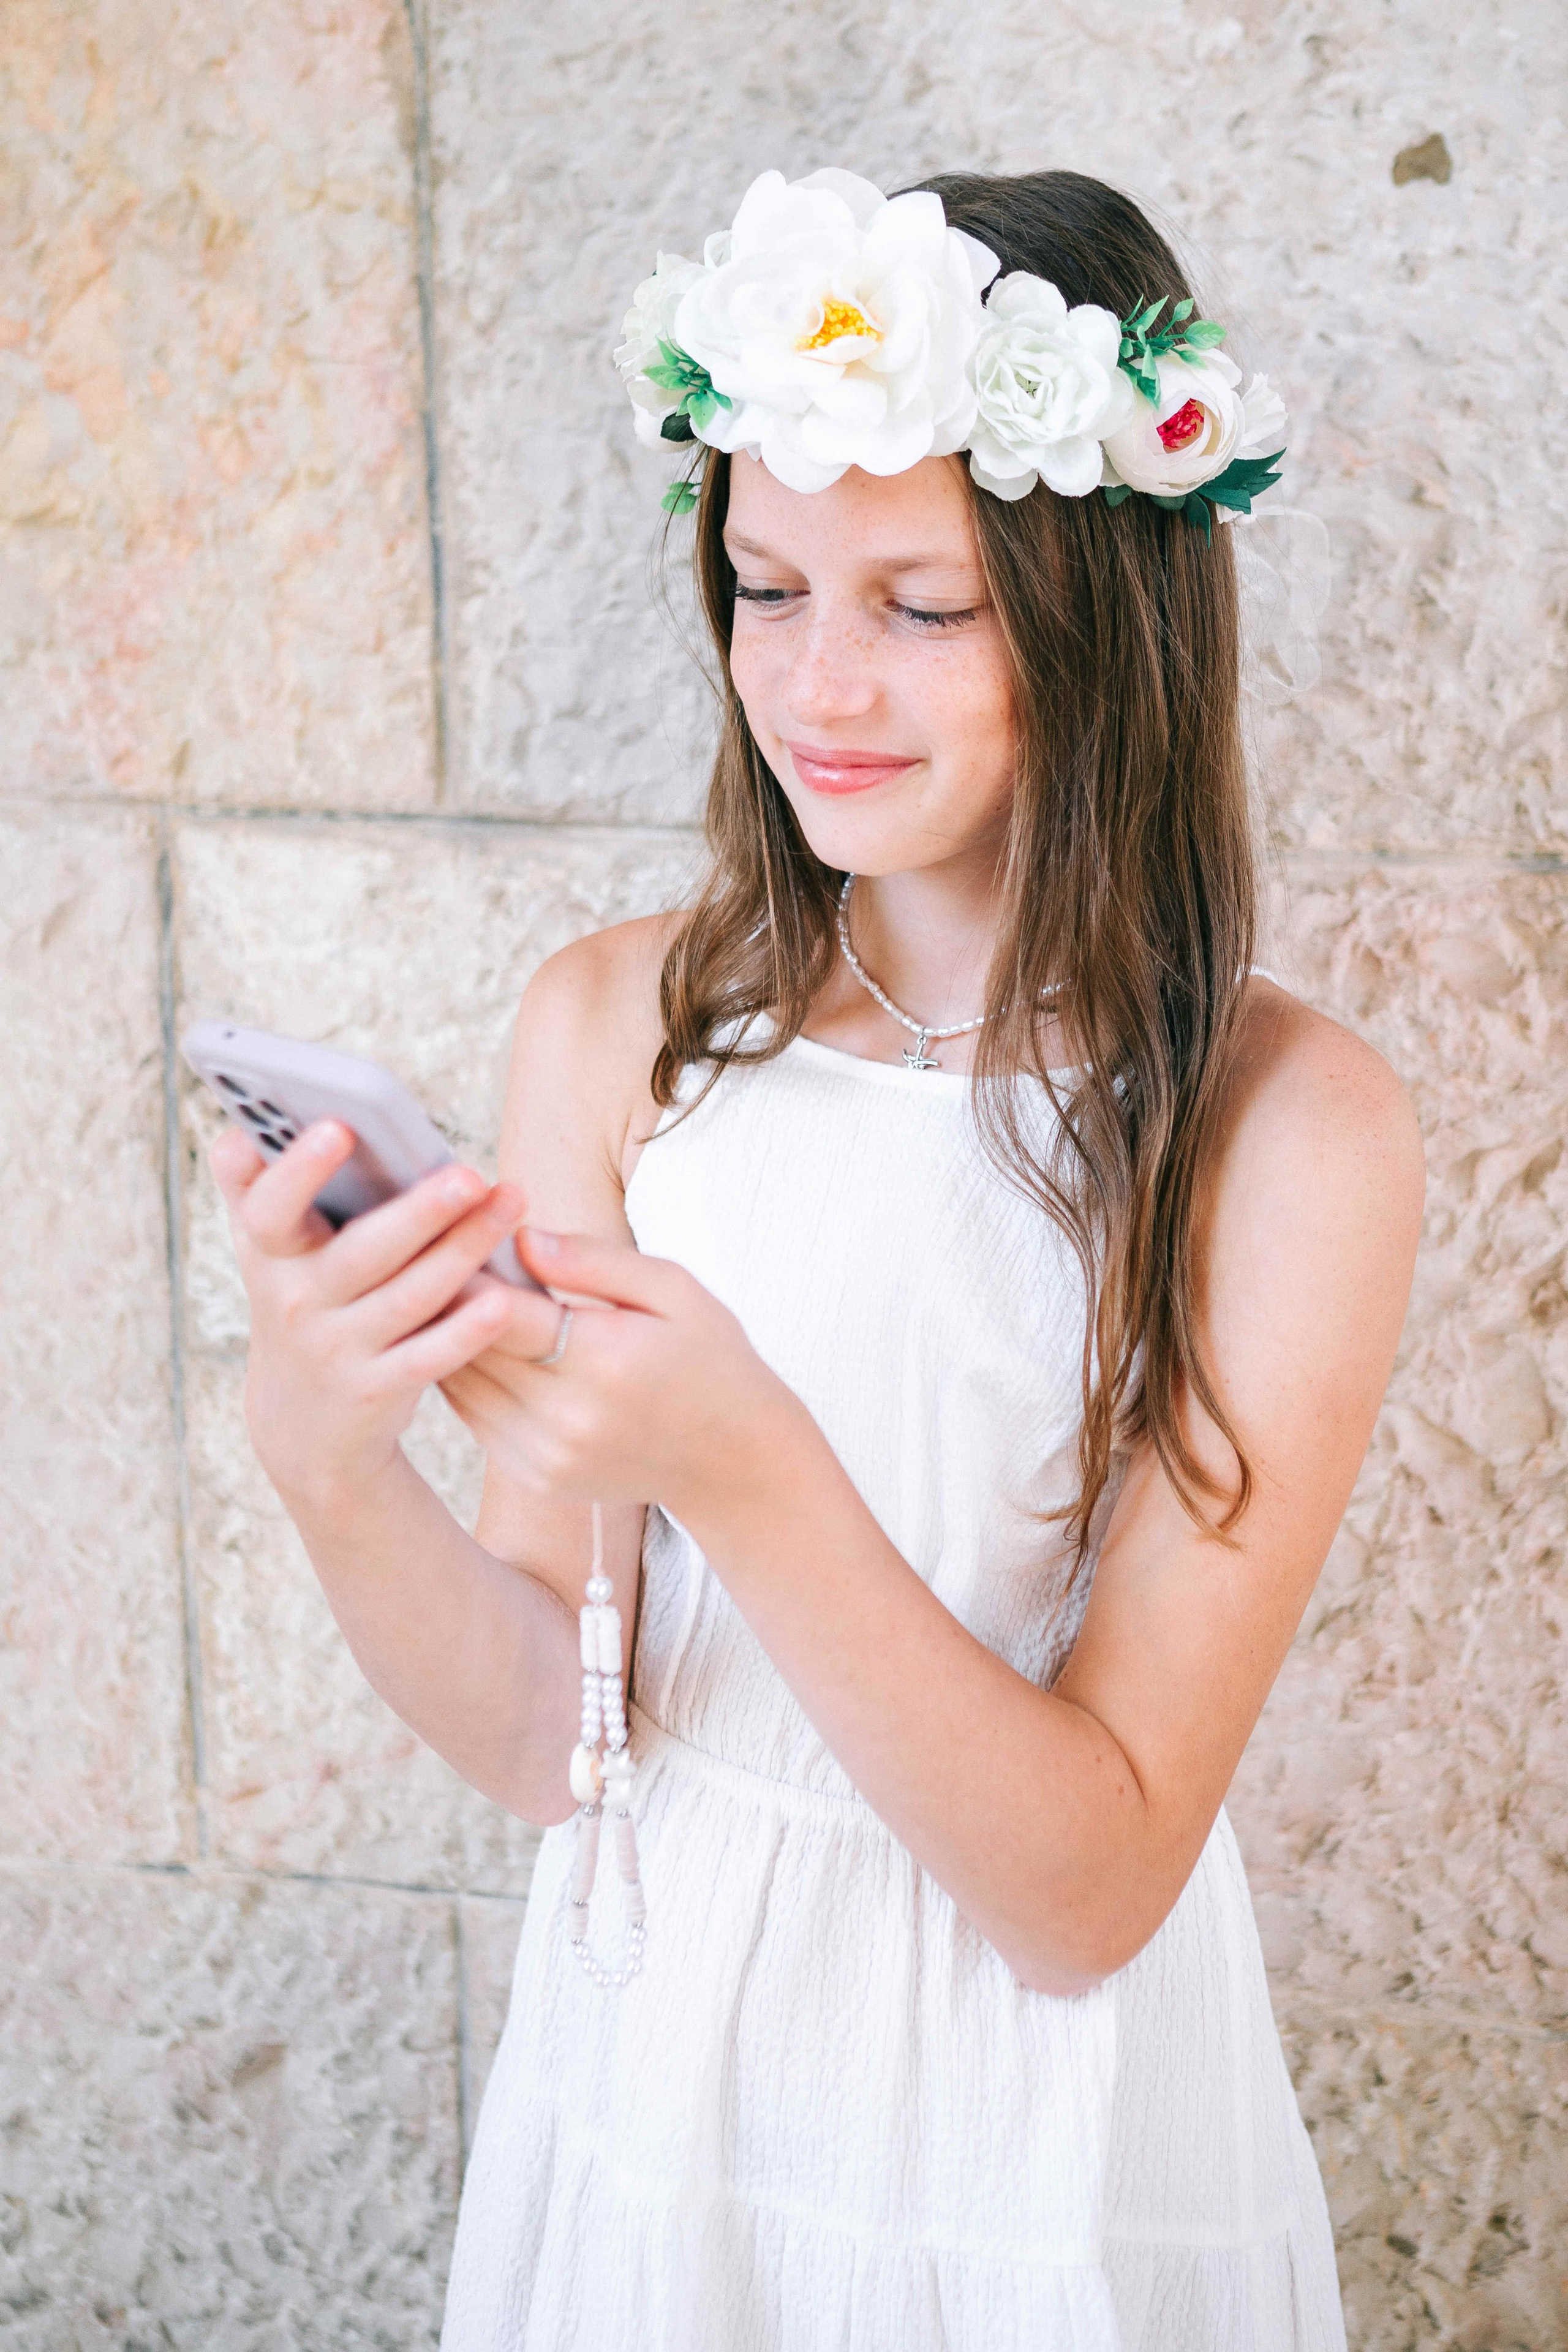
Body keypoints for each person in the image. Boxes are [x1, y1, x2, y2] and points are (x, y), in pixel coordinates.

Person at [209, 166, 1424, 2351]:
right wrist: (326, 1458)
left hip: (1031, 2140)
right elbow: (551, 1738)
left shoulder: (1284, 1130)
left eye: (920, 604)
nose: (816, 681)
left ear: (1104, 608)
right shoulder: (624, 1029)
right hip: (661, 2079)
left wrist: (746, 1465)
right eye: (768, 587)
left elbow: (1088, 1891)